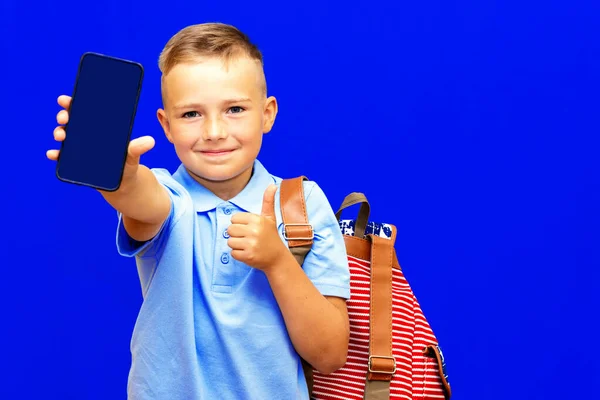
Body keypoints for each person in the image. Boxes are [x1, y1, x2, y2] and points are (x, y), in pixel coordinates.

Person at [46, 22, 351, 400]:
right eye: (191, 114)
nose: (214, 131)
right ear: (166, 125)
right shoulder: (170, 196)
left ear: (267, 114)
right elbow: (142, 200)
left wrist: (278, 261)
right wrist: (121, 176)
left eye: (235, 109)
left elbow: (330, 354)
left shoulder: (302, 203)